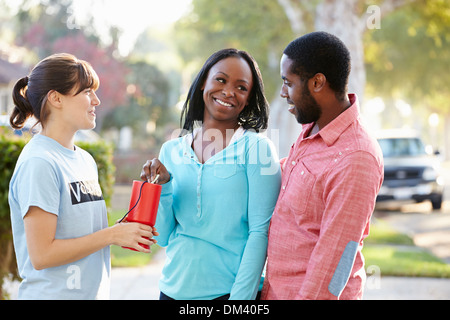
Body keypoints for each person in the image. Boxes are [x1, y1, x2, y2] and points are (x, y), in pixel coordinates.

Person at [8, 53, 157, 300]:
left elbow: (81, 234)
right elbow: (42, 254)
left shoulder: (85, 161)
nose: (96, 100)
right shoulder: (39, 162)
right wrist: (111, 235)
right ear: (56, 98)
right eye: (87, 92)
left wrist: (122, 231)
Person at [140, 48, 281, 300]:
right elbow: (162, 237)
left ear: (248, 98)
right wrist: (164, 187)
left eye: (241, 87)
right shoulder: (171, 150)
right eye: (221, 79)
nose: (228, 91)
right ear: (204, 80)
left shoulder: (257, 149)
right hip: (171, 290)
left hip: (227, 294)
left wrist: (240, 301)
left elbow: (260, 233)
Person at [261, 32, 384, 300]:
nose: (283, 92)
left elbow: (335, 261)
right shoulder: (312, 129)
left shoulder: (357, 156)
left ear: (317, 82)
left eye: (288, 82)